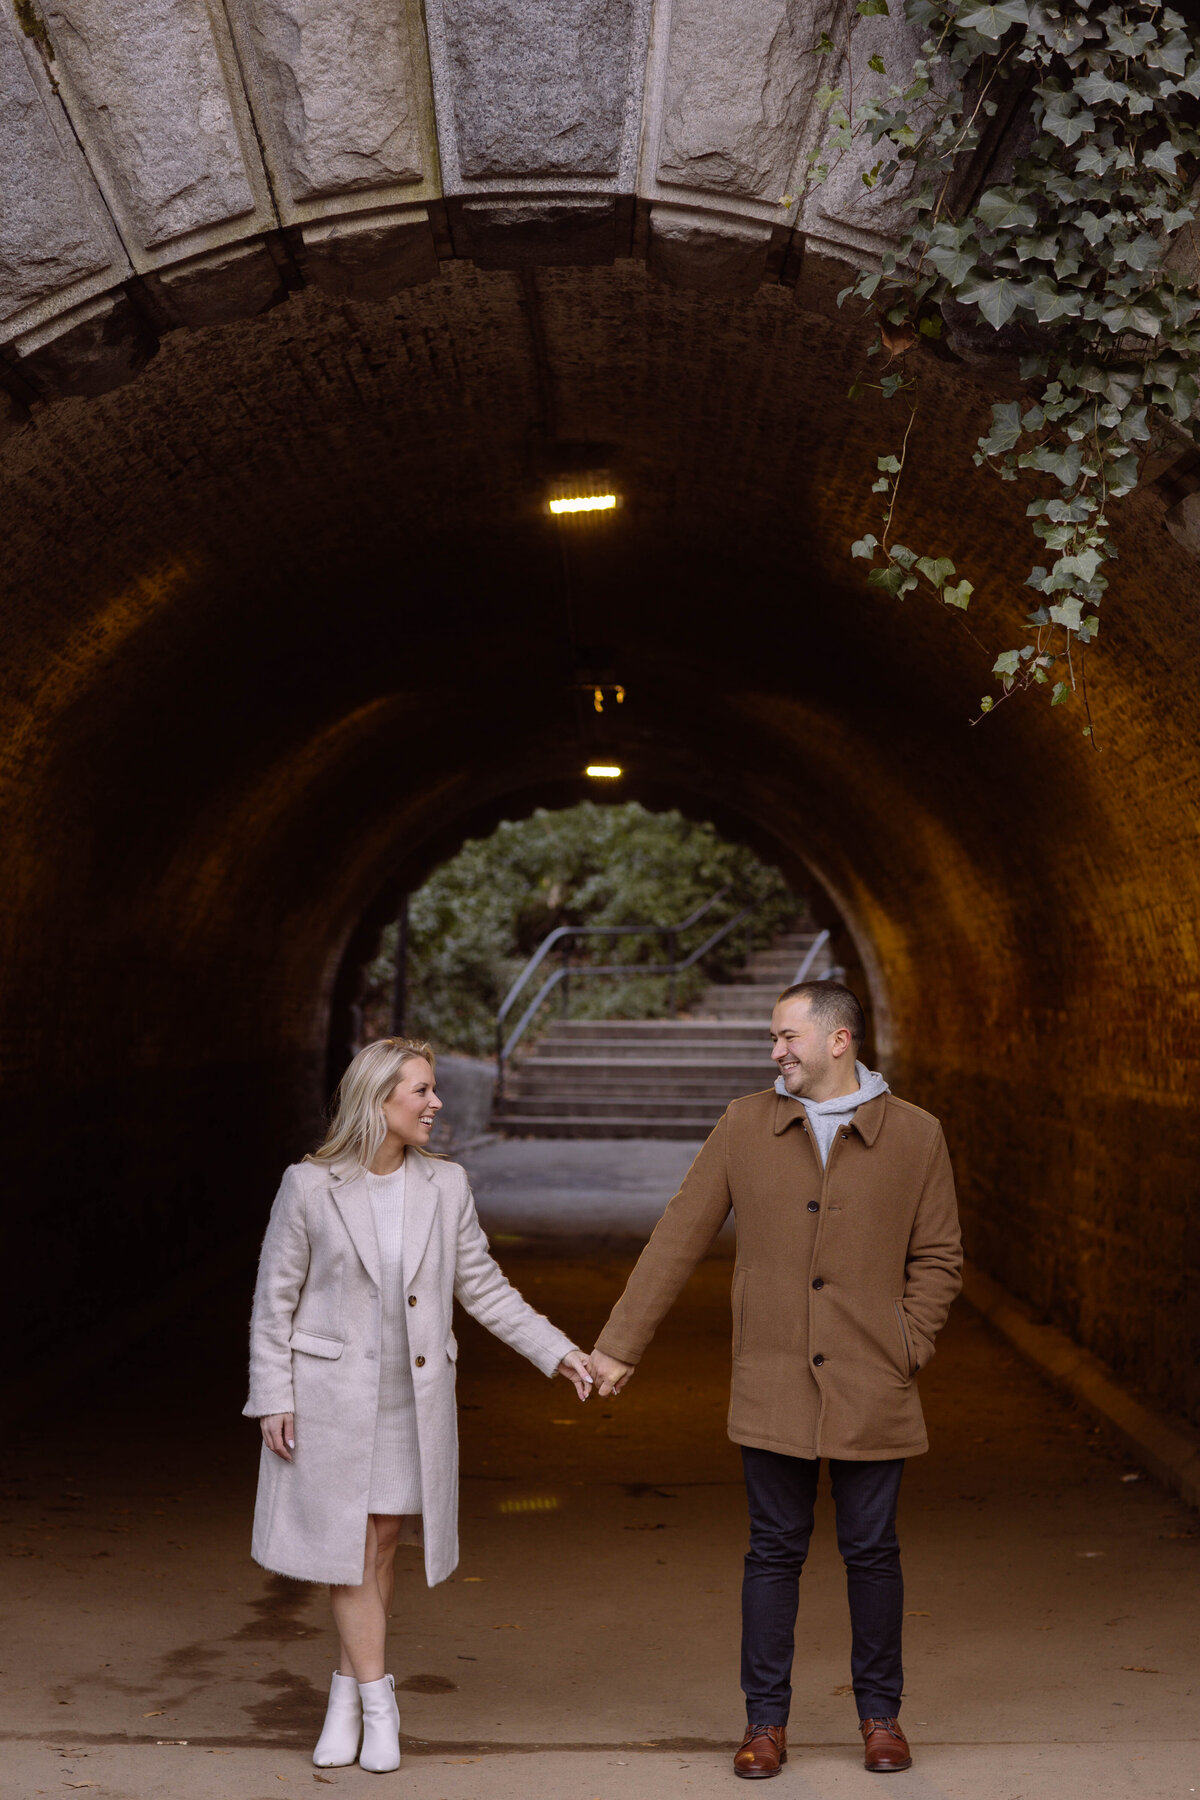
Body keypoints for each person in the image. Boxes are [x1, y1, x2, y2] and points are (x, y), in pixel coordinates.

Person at [588, 981, 962, 1779]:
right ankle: (765, 1725)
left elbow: (938, 1257)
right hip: (773, 1380)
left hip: (874, 1377)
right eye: (772, 1038)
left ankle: (880, 1718)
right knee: (772, 1553)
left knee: (872, 1553)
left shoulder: (917, 1136)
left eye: (787, 1036)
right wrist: (619, 1345)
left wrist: (908, 1343)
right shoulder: (745, 1125)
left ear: (839, 1040)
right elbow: (677, 1237)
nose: (775, 1052)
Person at [244, 1037, 593, 1773]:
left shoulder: (446, 1186)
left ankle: (343, 1689)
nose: (437, 1103)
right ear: (379, 1100)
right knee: (351, 1551)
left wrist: (558, 1352)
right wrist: (272, 1393)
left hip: (411, 1401)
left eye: (434, 1090)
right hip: (331, 1397)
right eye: (422, 1091)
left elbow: (485, 1288)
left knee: (377, 1544)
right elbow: (274, 1299)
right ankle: (378, 1701)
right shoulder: (308, 1186)